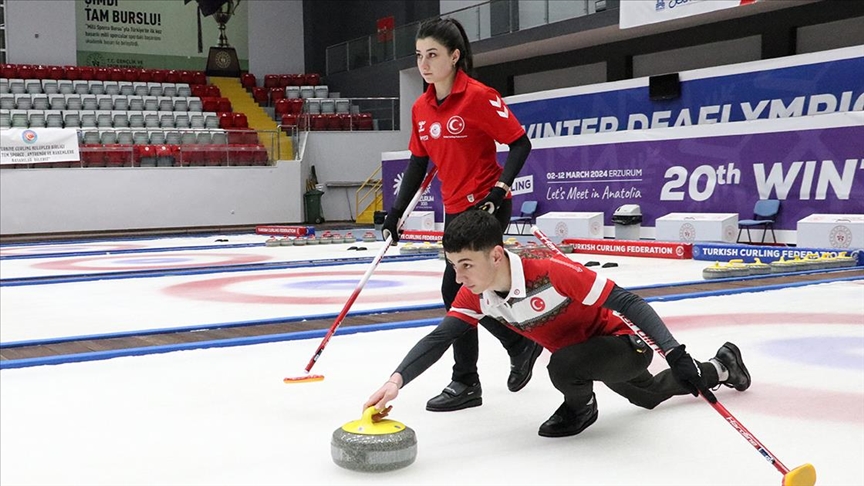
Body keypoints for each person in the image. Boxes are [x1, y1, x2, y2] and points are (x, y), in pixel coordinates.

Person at [366, 210, 751, 437]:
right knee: (647, 396)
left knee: (564, 364)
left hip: (620, 346)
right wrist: (394, 380)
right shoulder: (476, 295)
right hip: (587, 356)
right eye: (453, 266)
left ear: (497, 255)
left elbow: (628, 301)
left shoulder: (552, 273)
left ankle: (580, 408)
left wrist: (674, 351)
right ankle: (721, 366)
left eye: (466, 264)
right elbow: (440, 338)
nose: (459, 276)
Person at [380, 17, 542, 412]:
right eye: (419, 56)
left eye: (433, 55)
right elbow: (418, 164)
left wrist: (500, 188)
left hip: (487, 206)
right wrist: (395, 212)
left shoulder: (479, 97)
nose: (424, 63)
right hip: (454, 209)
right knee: (470, 290)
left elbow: (520, 143)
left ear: (455, 57)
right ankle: (517, 344)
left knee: (457, 290)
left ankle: (466, 380)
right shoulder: (421, 108)